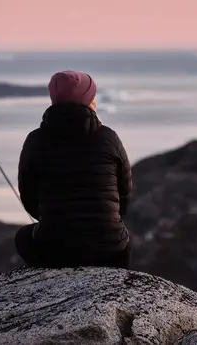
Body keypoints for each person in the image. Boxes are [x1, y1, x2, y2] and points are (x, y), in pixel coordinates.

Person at [14, 70, 132, 269]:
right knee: (123, 239)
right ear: (88, 100)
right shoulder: (108, 138)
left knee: (22, 237)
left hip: (55, 249)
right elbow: (125, 194)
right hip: (109, 250)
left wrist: (52, 219)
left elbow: (28, 196)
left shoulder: (35, 140)